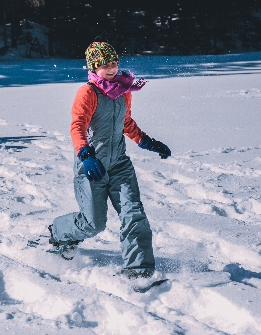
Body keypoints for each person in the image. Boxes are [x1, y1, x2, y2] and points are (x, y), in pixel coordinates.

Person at [49, 41, 171, 279]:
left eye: (114, 63)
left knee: (133, 213)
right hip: (92, 166)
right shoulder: (88, 92)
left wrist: (147, 141)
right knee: (93, 224)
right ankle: (58, 232)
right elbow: (77, 127)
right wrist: (86, 155)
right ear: (94, 68)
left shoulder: (123, 91)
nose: (112, 69)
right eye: (105, 65)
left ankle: (139, 271)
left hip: (119, 164)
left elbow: (125, 122)